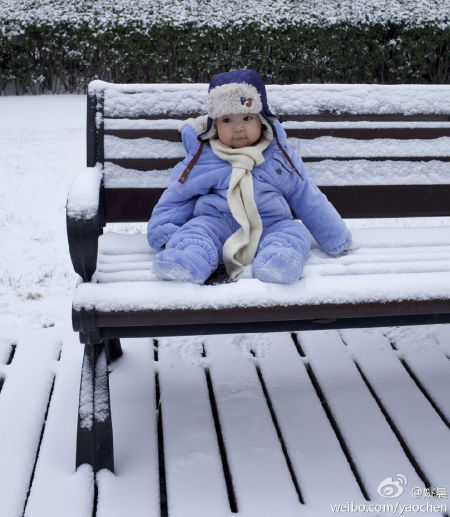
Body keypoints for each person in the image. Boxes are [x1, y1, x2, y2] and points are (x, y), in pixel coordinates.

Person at [147, 69, 352, 284]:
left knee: (293, 232)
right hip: (215, 223)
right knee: (194, 234)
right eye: (226, 120)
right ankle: (188, 261)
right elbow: (178, 195)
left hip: (270, 224)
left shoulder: (278, 157)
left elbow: (306, 196)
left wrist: (334, 237)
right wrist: (162, 231)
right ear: (214, 125)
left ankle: (277, 263)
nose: (237, 128)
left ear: (262, 120)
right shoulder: (203, 158)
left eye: (246, 118)